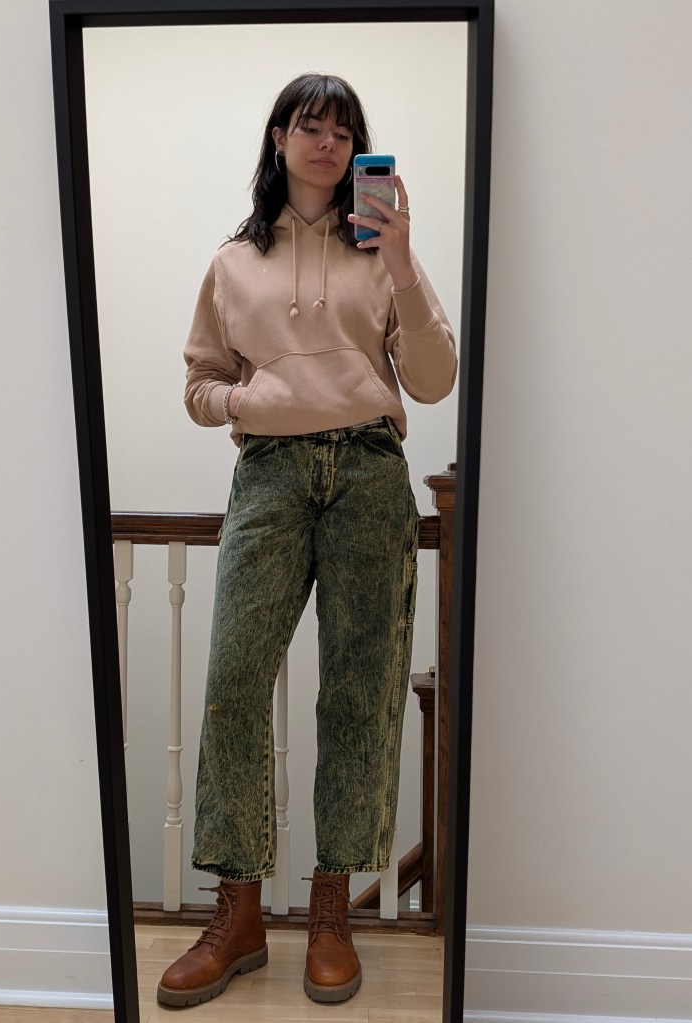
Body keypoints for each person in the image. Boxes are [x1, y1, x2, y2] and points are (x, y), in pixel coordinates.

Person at [157, 72, 457, 1009]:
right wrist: (247, 398)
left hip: (368, 469)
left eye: (343, 131)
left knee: (361, 690)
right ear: (279, 139)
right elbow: (199, 385)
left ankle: (332, 911)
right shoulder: (231, 262)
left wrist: (400, 260)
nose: (327, 143)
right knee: (234, 679)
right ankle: (238, 913)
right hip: (270, 474)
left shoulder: (386, 257)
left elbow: (434, 379)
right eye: (309, 126)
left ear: (358, 149)